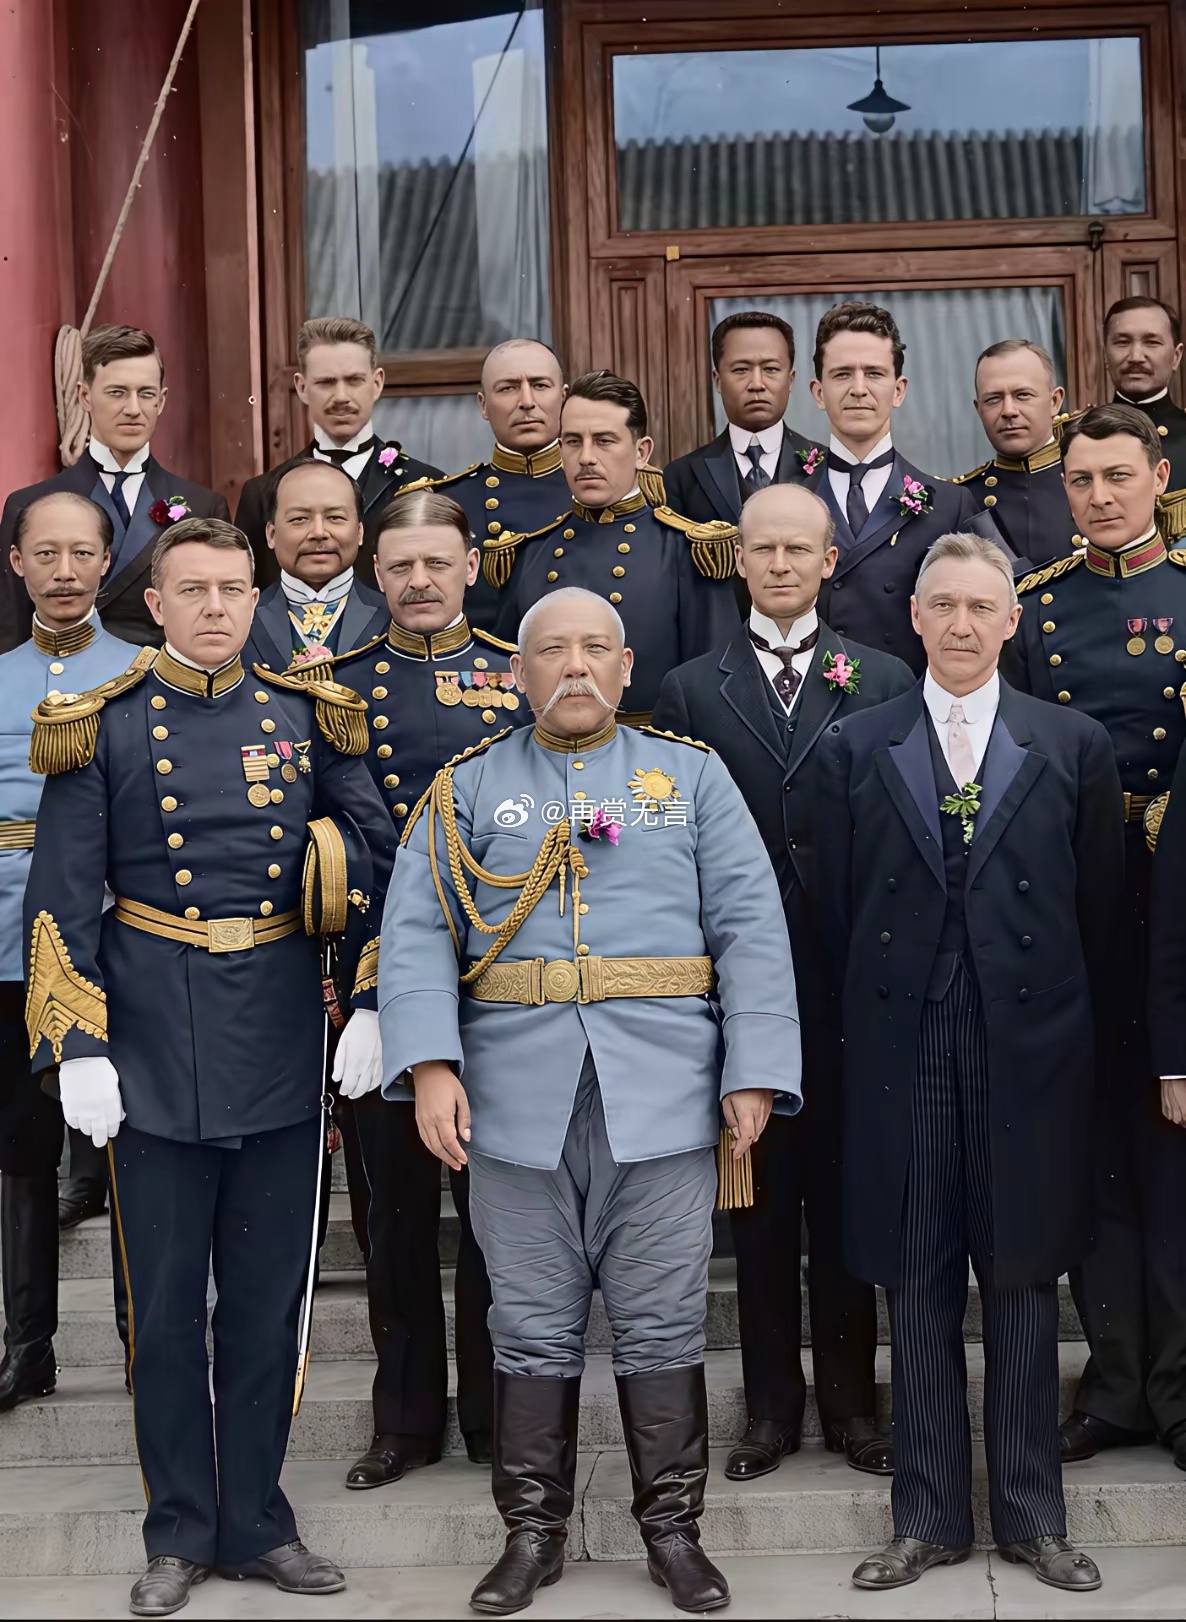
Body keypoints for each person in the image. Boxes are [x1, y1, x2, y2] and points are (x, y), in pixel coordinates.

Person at [379, 587, 801, 1616]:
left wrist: (752, 1066)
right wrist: (430, 1064)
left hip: (662, 1092)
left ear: (625, 667)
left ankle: (674, 1534)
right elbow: (418, 930)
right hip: (512, 1099)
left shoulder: (690, 777)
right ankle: (532, 1536)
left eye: (594, 648)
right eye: (552, 650)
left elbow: (749, 923)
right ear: (515, 672)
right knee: (528, 1324)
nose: (574, 665)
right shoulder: (468, 786)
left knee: (662, 1320)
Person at [22, 516, 395, 1617]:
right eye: (195, 590)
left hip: (281, 1031)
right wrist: (78, 1046)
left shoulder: (309, 711)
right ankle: (179, 1529)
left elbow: (377, 867)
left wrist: (373, 1000)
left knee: (269, 1304)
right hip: (150, 1043)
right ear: (156, 604)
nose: (219, 607)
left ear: (255, 597)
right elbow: (59, 899)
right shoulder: (100, 725)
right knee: (167, 1309)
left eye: (236, 588)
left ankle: (259, 1522)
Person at [818, 533, 1121, 1595]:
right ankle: (929, 1516)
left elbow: (1099, 909)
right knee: (917, 1276)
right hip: (903, 1044)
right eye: (940, 604)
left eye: (979, 606)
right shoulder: (856, 744)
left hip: (1031, 1045)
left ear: (1010, 620)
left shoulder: (1072, 744)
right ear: (913, 617)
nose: (959, 623)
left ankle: (1033, 1516)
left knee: (1025, 1276)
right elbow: (834, 910)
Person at [652, 483, 912, 1482]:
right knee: (757, 1204)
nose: (780, 565)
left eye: (799, 549)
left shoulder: (883, 676)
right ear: (738, 559)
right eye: (762, 549)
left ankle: (852, 1405)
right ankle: (769, 1409)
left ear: (828, 560)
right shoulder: (690, 689)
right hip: (741, 985)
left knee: (844, 1198)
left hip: (850, 980)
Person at [331, 487, 529, 1490]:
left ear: (469, 568)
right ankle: (405, 1418)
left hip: (498, 985)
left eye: (436, 564)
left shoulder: (515, 676)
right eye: (400, 566)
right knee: (394, 1214)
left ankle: (496, 1412)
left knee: (495, 1211)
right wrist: (366, 991)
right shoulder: (334, 689)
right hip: (376, 987)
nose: (418, 582)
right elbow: (343, 847)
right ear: (375, 573)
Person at [1001, 402, 1186, 1466]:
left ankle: (1180, 1385)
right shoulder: (1036, 610)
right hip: (1079, 903)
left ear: (1159, 476)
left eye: (1119, 475)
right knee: (1097, 1148)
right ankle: (1116, 1382)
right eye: (1081, 480)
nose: (1100, 496)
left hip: (1181, 900)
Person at [0, 493, 137, 1414]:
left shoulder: (140, 673)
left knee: (127, 1149)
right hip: (8, 944)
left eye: (81, 553)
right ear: (18, 563)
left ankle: (140, 1339)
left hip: (112, 940)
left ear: (105, 562)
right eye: (44, 554)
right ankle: (27, 1346)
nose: (63, 571)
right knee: (19, 1150)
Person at [485, 370, 740, 720]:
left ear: (641, 452)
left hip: (656, 749)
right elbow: (506, 685)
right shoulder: (529, 554)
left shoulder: (686, 551)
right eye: (573, 441)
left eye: (604, 441)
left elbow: (715, 688)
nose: (586, 457)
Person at [0, 324, 229, 653]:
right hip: (65, 676)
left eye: (145, 394)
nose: (133, 409)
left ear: (161, 401)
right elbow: (10, 630)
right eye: (117, 393)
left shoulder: (202, 506)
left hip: (162, 678)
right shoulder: (31, 505)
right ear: (85, 396)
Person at [799, 300, 991, 673]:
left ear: (899, 390)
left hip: (911, 698)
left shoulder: (951, 504)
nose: (858, 389)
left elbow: (988, 610)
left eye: (874, 373)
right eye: (842, 374)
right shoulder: (788, 500)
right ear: (818, 392)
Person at [234, 317, 440, 588]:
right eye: (326, 382)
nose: (341, 396)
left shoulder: (428, 486)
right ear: (302, 387)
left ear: (377, 383)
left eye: (354, 380)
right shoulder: (260, 494)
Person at [397, 339, 570, 628]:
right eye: (508, 388)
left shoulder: (603, 492)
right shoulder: (445, 503)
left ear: (563, 398)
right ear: (484, 405)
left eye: (540, 385)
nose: (527, 401)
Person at [663, 312, 823, 524]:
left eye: (771, 369)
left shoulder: (827, 466)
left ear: (790, 379)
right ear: (718, 381)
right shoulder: (681, 476)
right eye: (741, 370)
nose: (757, 384)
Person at [243, 459, 388, 669]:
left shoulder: (393, 618)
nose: (319, 533)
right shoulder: (242, 620)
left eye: (335, 517)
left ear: (359, 532)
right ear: (271, 534)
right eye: (299, 519)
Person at [954, 339, 1078, 564]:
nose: (1008, 411)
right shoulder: (962, 501)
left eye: (1022, 395)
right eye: (993, 399)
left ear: (1054, 401)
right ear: (979, 409)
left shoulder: (1094, 483)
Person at [1103, 296, 1186, 533]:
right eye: (1122, 342)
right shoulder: (1073, 436)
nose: (1136, 356)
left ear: (1176, 356)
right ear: (1105, 354)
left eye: (1152, 342)